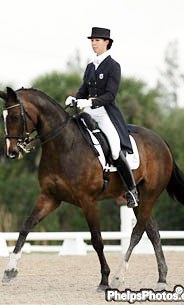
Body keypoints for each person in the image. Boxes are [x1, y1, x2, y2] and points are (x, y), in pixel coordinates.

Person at [65, 27, 139, 208]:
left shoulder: (113, 66)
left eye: (97, 40)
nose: (93, 44)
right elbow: (83, 89)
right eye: (92, 41)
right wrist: (75, 98)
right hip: (88, 112)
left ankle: (131, 190)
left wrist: (90, 103)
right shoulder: (91, 66)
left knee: (114, 149)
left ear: (106, 42)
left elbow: (110, 95)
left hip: (105, 113)